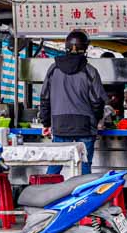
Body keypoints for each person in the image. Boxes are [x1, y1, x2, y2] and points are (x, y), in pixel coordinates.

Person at [39, 30, 107, 175]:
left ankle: (46, 188)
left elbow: (44, 98)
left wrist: (46, 123)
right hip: (85, 126)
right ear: (85, 48)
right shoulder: (90, 71)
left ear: (66, 47)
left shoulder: (53, 69)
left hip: (60, 125)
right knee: (84, 167)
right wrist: (96, 120)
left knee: (55, 165)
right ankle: (83, 191)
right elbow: (97, 101)